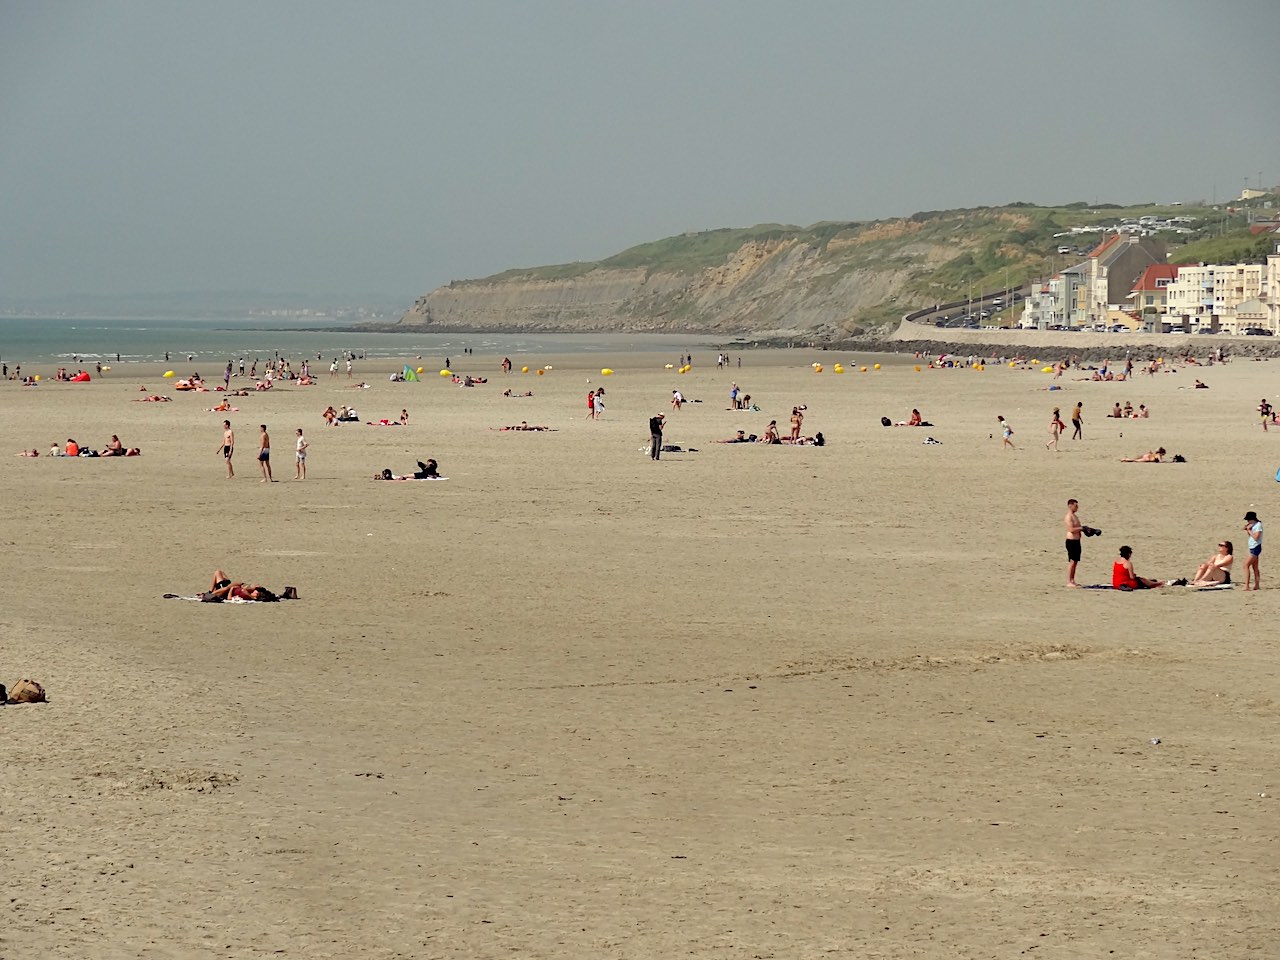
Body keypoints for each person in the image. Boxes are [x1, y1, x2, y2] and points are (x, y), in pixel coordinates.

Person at [1064, 498, 1083, 588]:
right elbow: (1071, 529)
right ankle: (1069, 581)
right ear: (1070, 505)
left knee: (1075, 561)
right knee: (1072, 561)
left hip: (1076, 541)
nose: (1077, 508)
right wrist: (1081, 528)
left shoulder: (1075, 516)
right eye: (1075, 506)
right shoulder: (1069, 517)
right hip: (1071, 541)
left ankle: (1072, 580)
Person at [1243, 511, 1263, 590]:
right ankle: (1257, 585)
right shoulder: (1254, 525)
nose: (1248, 522)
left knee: (1246, 565)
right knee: (1255, 567)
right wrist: (1248, 530)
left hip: (1256, 548)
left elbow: (1256, 537)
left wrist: (1249, 530)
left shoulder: (1258, 525)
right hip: (1253, 547)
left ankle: (1246, 585)